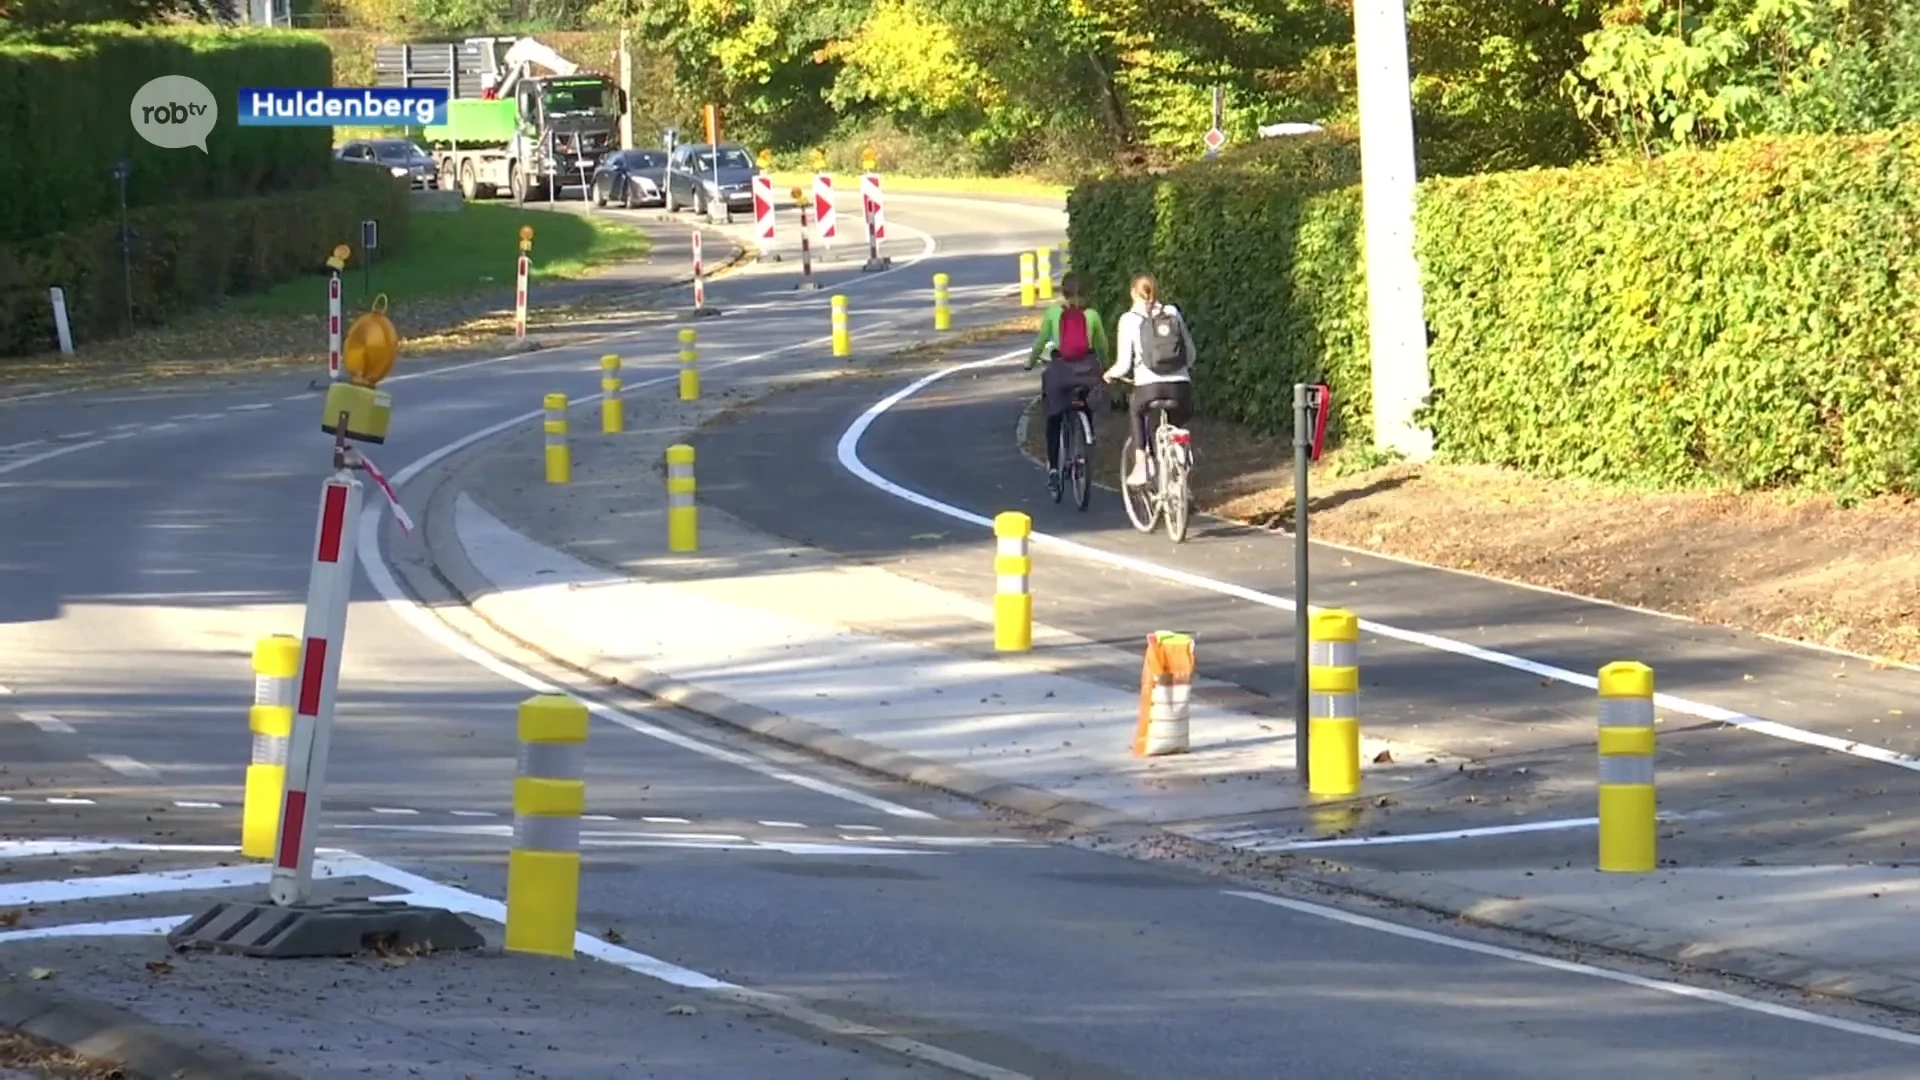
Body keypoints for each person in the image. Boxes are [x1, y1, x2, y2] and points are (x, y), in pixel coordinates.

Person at [1104, 273, 1196, 486]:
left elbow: (1124, 365)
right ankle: (1182, 476)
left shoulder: (1128, 319)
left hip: (1149, 388)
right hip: (1180, 388)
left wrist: (1110, 374)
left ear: (1132, 293)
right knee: (1177, 425)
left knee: (1136, 411)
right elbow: (1190, 354)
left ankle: (1141, 463)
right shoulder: (1173, 312)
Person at [1026, 273, 1110, 494]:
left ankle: (1054, 468)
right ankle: (1087, 436)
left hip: (1061, 371)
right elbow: (1102, 345)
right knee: (1086, 402)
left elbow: (1041, 341)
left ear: (1063, 293)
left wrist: (1030, 363)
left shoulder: (1054, 313)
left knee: (1053, 417)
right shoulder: (1092, 315)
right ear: (1087, 294)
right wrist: (1106, 366)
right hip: (1088, 371)